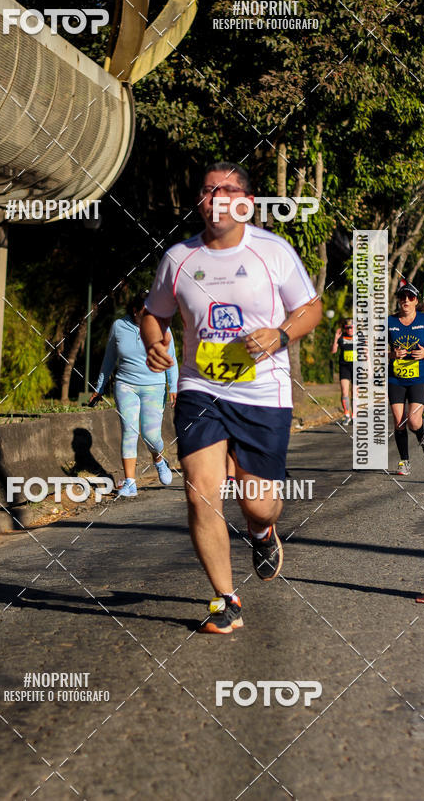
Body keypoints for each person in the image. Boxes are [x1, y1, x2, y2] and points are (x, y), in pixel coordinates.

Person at [141, 161, 321, 634]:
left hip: (263, 391)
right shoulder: (178, 258)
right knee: (201, 494)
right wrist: (154, 345)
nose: (216, 197)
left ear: (247, 202)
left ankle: (262, 533)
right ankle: (226, 600)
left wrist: (280, 335)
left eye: (228, 190)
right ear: (199, 202)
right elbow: (153, 315)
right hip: (202, 389)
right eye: (207, 190)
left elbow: (311, 309)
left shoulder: (272, 251)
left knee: (258, 503)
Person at [89, 291, 178, 497]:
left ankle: (158, 458)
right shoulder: (119, 326)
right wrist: (100, 388)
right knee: (129, 431)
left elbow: (170, 359)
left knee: (150, 435)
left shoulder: (163, 327)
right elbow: (109, 359)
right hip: (125, 385)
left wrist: (173, 387)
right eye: (146, 313)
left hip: (154, 386)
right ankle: (130, 482)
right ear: (135, 311)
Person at [388, 281, 424, 476]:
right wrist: (392, 355)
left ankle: (423, 437)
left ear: (416, 300)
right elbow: (378, 350)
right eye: (402, 297)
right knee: (399, 421)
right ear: (399, 300)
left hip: (419, 377)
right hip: (396, 378)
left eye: (410, 297)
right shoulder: (389, 322)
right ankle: (404, 461)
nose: (406, 300)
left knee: (414, 421)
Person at [331, 317, 356, 425]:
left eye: (351, 327)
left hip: (357, 368)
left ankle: (354, 415)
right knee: (344, 391)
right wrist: (336, 338)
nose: (350, 330)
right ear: (345, 328)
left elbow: (366, 353)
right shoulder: (341, 338)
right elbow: (333, 351)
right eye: (347, 328)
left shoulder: (360, 338)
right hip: (344, 367)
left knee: (355, 393)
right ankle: (346, 415)